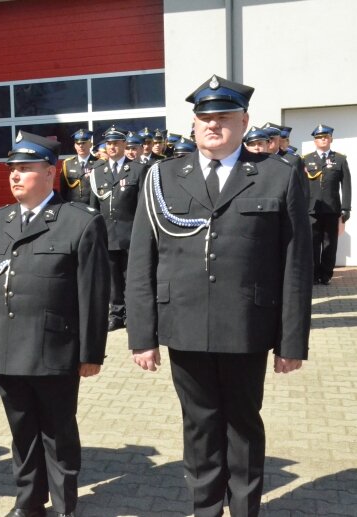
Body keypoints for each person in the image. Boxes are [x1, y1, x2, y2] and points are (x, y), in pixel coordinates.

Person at [127, 75, 313, 517]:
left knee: (244, 425)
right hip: (183, 324)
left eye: (224, 118)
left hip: (247, 324)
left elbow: (296, 265)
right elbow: (141, 261)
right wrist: (141, 335)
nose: (213, 126)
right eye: (204, 118)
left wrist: (292, 342)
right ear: (193, 125)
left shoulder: (278, 175)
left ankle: (245, 509)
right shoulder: (163, 177)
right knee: (199, 425)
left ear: (244, 122)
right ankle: (205, 508)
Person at [0, 130, 110, 517]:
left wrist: (91, 352)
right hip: (6, 346)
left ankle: (64, 506)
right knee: (22, 433)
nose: (15, 176)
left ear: (50, 173)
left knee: (58, 433)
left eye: (25, 169)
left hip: (54, 350)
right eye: (12, 169)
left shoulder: (78, 222)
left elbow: (93, 295)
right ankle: (29, 502)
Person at [89, 126, 147, 331]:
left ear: (124, 144)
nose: (112, 147)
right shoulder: (97, 171)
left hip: (130, 233)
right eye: (109, 144)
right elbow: (93, 207)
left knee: (131, 276)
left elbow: (142, 205)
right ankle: (116, 314)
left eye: (116, 143)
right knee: (112, 278)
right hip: (107, 234)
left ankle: (132, 314)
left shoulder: (138, 169)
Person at [305, 124, 351, 285]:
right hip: (311, 209)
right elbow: (300, 186)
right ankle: (313, 274)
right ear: (315, 141)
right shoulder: (305, 159)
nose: (322, 139)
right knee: (312, 243)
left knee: (330, 243)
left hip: (332, 209)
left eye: (325, 136)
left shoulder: (340, 159)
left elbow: (346, 186)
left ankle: (326, 275)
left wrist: (346, 208)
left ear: (331, 139)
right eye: (319, 137)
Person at [59, 128, 97, 205]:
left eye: (84, 143)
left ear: (90, 144)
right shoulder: (67, 164)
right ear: (75, 146)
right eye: (78, 144)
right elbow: (63, 189)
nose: (81, 146)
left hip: (92, 205)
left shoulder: (98, 163)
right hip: (73, 206)